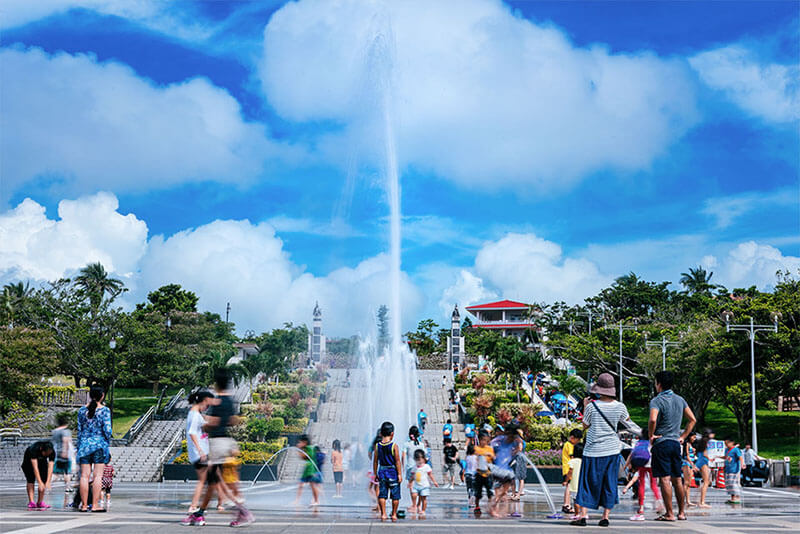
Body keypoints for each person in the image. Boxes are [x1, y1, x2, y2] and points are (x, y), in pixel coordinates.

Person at [183, 368, 254, 527]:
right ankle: (200, 514)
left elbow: (214, 424)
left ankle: (241, 510)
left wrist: (206, 425)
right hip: (227, 442)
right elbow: (233, 420)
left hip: (217, 444)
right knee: (213, 482)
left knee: (215, 482)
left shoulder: (218, 401)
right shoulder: (231, 400)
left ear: (216, 383)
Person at [572, 373, 632, 528]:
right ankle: (605, 517)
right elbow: (628, 424)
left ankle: (584, 515)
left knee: (587, 483)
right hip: (612, 450)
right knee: (609, 482)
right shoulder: (620, 406)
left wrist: (585, 406)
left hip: (592, 450)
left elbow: (585, 425)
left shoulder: (592, 406)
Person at [648, 370, 696, 522]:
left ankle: (669, 513)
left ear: (659, 384)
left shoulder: (656, 400)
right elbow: (692, 419)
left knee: (664, 479)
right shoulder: (680, 399)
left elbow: (653, 419)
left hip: (661, 443)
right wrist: (682, 437)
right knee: (677, 479)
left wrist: (651, 434)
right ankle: (681, 512)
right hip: (676, 444)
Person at [77, 384, 112, 512]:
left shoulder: (81, 411)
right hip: (99, 446)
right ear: (102, 395)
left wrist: (79, 446)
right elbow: (108, 430)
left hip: (84, 446)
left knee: (84, 477)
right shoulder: (104, 410)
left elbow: (79, 431)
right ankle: (95, 505)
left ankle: (84, 505)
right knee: (98, 476)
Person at [622, 428, 662, 521]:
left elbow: (631, 454)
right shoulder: (653, 440)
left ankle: (641, 508)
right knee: (653, 484)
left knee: (642, 484)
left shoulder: (639, 442)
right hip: (652, 463)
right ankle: (659, 502)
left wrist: (626, 465)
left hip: (642, 463)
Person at [185, 390, 214, 513]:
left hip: (200, 453)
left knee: (207, 480)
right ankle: (194, 506)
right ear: (204, 401)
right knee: (203, 481)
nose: (207, 407)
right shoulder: (194, 415)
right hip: (199, 454)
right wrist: (200, 450)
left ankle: (200, 504)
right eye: (208, 404)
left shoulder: (195, 414)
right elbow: (191, 433)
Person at [490, 424, 521, 518]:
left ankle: (498, 508)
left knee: (504, 492)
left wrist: (514, 452)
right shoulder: (499, 439)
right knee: (498, 491)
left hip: (506, 470)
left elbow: (520, 447)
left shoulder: (514, 441)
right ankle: (493, 509)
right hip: (497, 469)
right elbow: (490, 447)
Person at [373, 421, 402, 522]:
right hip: (392, 472)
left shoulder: (377, 446)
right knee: (395, 495)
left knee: (382, 494)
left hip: (382, 471)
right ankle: (394, 514)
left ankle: (383, 514)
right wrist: (399, 474)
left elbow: (375, 461)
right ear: (392, 434)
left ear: (381, 433)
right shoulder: (394, 446)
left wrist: (375, 473)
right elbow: (397, 461)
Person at [21, 440, 55, 510]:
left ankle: (40, 502)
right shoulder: (33, 449)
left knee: (44, 480)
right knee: (30, 480)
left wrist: (48, 481)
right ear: (41, 449)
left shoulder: (51, 451)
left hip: (42, 463)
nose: (47, 455)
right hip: (28, 463)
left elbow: (51, 466)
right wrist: (39, 482)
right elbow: (35, 468)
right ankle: (31, 502)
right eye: (46, 454)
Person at [473, 430, 495, 517]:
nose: (484, 442)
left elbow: (494, 458)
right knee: (478, 492)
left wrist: (491, 455)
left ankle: (490, 508)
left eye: (486, 440)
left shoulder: (490, 449)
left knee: (490, 492)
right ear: (479, 440)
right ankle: (477, 506)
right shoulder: (476, 448)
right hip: (479, 474)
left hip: (488, 473)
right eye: (482, 440)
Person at [402, 426, 425, 512]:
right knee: (420, 486)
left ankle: (414, 505)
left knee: (412, 487)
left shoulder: (406, 444)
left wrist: (402, 466)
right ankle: (419, 505)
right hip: (420, 468)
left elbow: (403, 456)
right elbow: (424, 456)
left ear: (410, 434)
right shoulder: (421, 445)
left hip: (410, 467)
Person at [296, 434, 322, 506]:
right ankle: (297, 501)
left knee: (312, 484)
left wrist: (299, 450)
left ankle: (316, 501)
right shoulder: (307, 448)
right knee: (301, 484)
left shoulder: (309, 448)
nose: (299, 443)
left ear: (305, 442)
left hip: (311, 469)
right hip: (307, 469)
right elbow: (303, 458)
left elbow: (304, 457)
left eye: (300, 442)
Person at [410, 449, 438, 516]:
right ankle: (414, 506)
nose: (419, 461)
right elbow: (413, 476)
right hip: (416, 485)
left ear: (424, 459)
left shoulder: (426, 467)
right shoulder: (414, 467)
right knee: (414, 495)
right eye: (417, 460)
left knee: (424, 499)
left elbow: (430, 475)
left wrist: (434, 482)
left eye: (420, 459)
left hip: (424, 486)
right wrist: (410, 482)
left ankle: (423, 510)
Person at [561, 428, 583, 514]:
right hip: (569, 469)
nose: (578, 442)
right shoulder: (569, 445)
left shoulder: (568, 444)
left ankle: (567, 504)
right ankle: (566, 504)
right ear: (572, 438)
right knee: (569, 487)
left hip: (569, 468)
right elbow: (572, 456)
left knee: (569, 486)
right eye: (578, 440)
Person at [51, 414, 73, 492]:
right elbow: (66, 441)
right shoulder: (66, 431)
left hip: (56, 453)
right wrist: (65, 452)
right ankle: (68, 487)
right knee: (67, 472)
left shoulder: (54, 431)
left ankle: (48, 484)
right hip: (65, 454)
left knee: (55, 472)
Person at [563, 443, 583, 521]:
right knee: (582, 500)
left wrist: (566, 481)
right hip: (582, 484)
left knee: (576, 500)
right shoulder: (584, 461)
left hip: (575, 484)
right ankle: (584, 514)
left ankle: (577, 514)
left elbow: (570, 472)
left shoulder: (573, 461)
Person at [724, 438, 744, 504]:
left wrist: (742, 464)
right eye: (725, 443)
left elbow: (740, 457)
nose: (726, 445)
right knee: (729, 484)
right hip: (728, 469)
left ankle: (737, 497)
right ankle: (732, 497)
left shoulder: (736, 449)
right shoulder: (726, 450)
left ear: (732, 442)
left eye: (727, 443)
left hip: (734, 469)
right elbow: (725, 457)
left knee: (734, 483)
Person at [693, 438, 711, 508]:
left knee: (705, 482)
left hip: (702, 463)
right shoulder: (704, 448)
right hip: (703, 463)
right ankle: (702, 502)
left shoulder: (699, 448)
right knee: (706, 482)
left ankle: (700, 500)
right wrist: (710, 458)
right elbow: (705, 454)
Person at [681, 434, 698, 507]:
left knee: (688, 483)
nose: (694, 438)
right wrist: (693, 465)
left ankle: (688, 500)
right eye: (693, 437)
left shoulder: (690, 444)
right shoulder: (687, 444)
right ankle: (682, 499)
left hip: (690, 463)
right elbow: (687, 456)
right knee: (686, 482)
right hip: (686, 463)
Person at [512, 428, 527, 501]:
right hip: (517, 458)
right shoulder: (517, 439)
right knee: (514, 477)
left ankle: (518, 494)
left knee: (520, 477)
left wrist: (513, 452)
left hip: (520, 459)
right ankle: (514, 493)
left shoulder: (519, 440)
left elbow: (519, 449)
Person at [464, 443, 477, 508]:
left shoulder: (467, 457)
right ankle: (473, 501)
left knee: (469, 488)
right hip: (474, 474)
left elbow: (465, 466)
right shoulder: (476, 457)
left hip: (467, 474)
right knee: (474, 489)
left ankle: (469, 500)